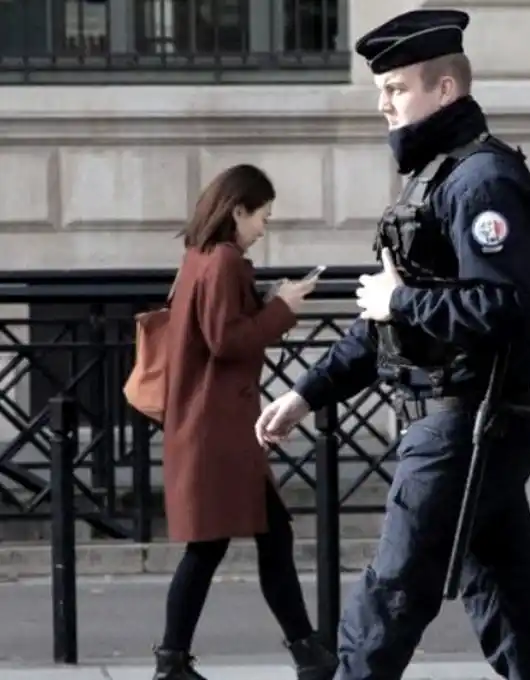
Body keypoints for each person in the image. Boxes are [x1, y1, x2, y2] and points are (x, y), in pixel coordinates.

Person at [253, 10, 530, 680]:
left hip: (466, 421)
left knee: (389, 598)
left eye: (396, 89)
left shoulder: (481, 181)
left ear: (446, 90)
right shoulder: (435, 179)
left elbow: (503, 307)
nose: (383, 105)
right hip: (463, 421)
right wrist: (307, 394)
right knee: (513, 612)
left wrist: (400, 300)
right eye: (381, 91)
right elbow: (385, 323)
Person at [155, 164, 336, 680]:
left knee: (256, 539)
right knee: (216, 546)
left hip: (213, 425)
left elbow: (218, 326)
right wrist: (281, 307)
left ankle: (305, 653)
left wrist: (267, 300)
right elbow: (225, 341)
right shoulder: (226, 261)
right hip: (218, 429)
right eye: (263, 216)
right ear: (238, 211)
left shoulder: (200, 257)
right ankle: (177, 661)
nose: (265, 227)